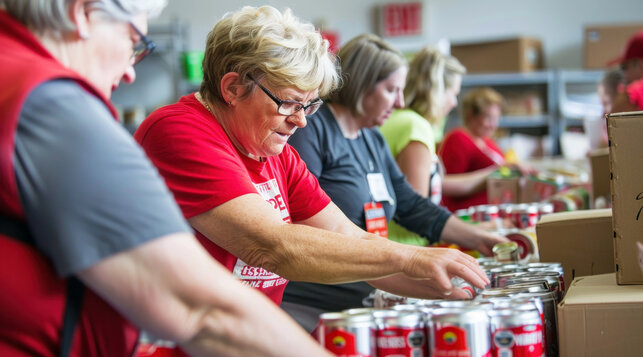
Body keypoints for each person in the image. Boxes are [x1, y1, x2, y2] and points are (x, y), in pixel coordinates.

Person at [0, 1, 339, 357]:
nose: (131, 71)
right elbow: (198, 308)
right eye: (133, 40)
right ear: (83, 13)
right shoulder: (53, 107)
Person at [135, 6, 490, 333]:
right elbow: (273, 247)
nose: (301, 121)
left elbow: (346, 236)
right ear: (232, 87)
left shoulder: (273, 150)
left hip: (244, 337)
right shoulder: (179, 132)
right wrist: (410, 256)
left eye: (310, 105)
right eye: (289, 102)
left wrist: (450, 289)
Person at [281, 34, 507, 331]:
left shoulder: (371, 138)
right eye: (391, 90)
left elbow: (411, 204)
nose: (400, 101)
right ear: (362, 84)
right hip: (317, 304)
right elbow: (310, 225)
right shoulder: (312, 131)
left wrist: (478, 238)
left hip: (367, 293)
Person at [379, 46, 502, 245]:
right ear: (437, 92)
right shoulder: (415, 127)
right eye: (453, 94)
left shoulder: (402, 120)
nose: (454, 103)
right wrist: (474, 234)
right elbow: (418, 212)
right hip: (408, 247)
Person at [439, 87, 507, 212]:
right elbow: (447, 187)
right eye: (488, 118)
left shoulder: (488, 142)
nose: (493, 125)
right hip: (468, 215)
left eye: (496, 119)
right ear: (471, 115)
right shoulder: (459, 139)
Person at [610, 31, 643, 112]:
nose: (622, 74)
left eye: (624, 67)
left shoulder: (633, 93)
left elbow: (613, 123)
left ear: (639, 64)